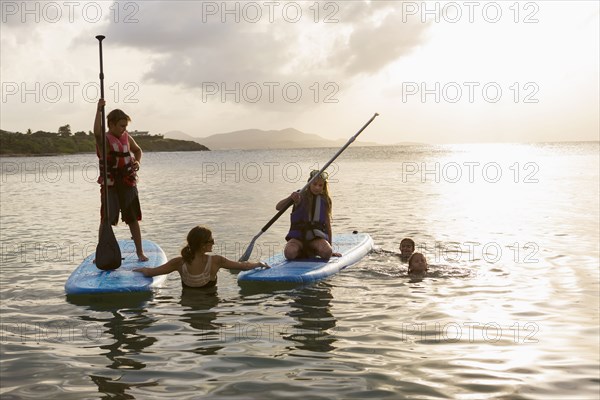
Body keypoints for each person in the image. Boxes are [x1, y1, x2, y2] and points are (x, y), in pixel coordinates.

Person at [94, 99, 147, 261]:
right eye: (121, 125)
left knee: (132, 218)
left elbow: (138, 151)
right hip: (110, 185)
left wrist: (137, 161)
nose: (124, 129)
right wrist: (98, 110)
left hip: (128, 183)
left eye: (126, 126)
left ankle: (140, 252)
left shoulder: (127, 138)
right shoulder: (104, 140)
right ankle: (102, 252)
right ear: (111, 124)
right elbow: (96, 131)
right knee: (106, 219)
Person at [134, 226, 268, 288]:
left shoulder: (179, 262)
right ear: (203, 245)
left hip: (188, 308)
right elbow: (243, 266)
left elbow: (151, 272)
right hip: (210, 306)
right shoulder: (216, 261)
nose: (214, 243)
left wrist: (135, 270)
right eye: (211, 241)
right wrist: (259, 264)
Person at [276, 170, 341, 260]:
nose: (317, 188)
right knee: (289, 253)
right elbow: (278, 207)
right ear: (309, 183)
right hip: (298, 238)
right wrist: (290, 198)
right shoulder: (299, 196)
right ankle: (302, 251)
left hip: (315, 239)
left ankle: (312, 251)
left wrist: (330, 247)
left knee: (327, 253)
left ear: (324, 187)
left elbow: (328, 225)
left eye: (320, 185)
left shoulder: (325, 200)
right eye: (314, 184)